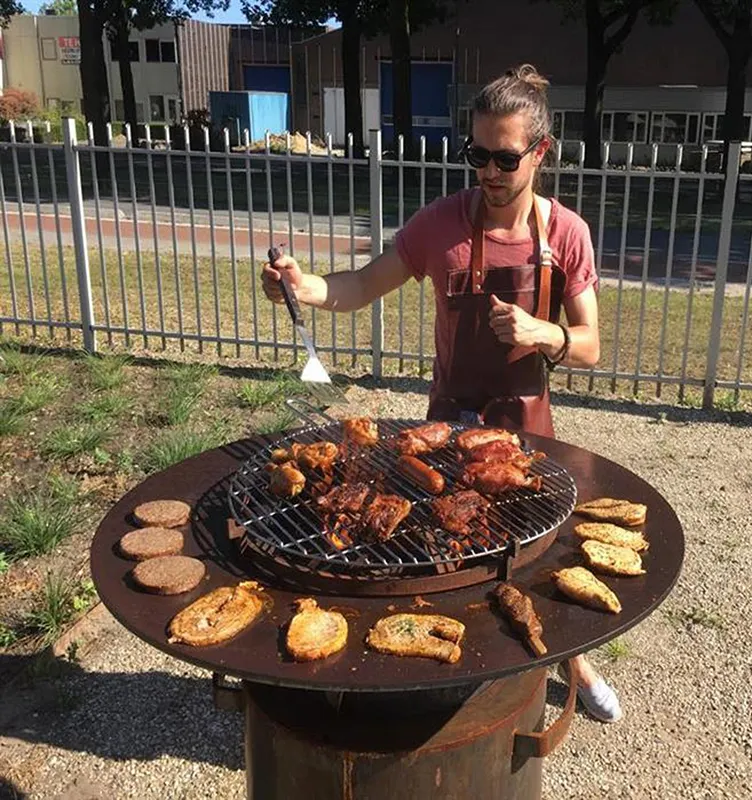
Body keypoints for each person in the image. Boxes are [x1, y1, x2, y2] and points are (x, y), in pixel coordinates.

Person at [262, 64, 621, 723]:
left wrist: (548, 332)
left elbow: (594, 345)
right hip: (442, 433)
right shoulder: (443, 224)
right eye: (476, 153)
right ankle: (447, 665)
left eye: (504, 157)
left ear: (540, 153)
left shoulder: (565, 233)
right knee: (443, 555)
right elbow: (361, 286)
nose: (487, 170)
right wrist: (302, 284)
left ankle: (571, 661)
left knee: (536, 553)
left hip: (525, 432)